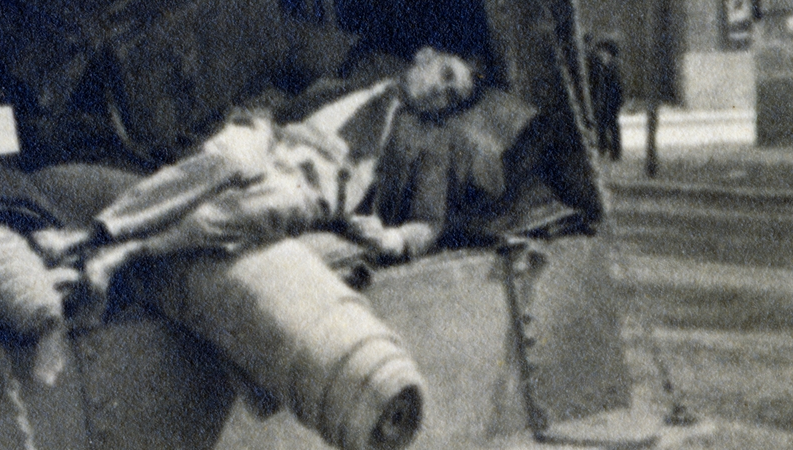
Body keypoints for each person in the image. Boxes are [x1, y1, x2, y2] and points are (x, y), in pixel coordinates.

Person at [36, 46, 480, 290]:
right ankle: (89, 234)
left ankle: (123, 254)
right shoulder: (348, 80)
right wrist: (259, 120)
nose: (440, 91)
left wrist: (393, 238)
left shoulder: (430, 143)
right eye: (444, 73)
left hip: (319, 182)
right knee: (229, 155)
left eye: (451, 95)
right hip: (275, 141)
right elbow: (285, 110)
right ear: (423, 56)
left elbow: (428, 222)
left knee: (261, 205)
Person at [587, 37, 624, 161]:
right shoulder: (608, 66)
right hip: (608, 100)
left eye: (602, 51)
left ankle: (613, 151)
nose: (601, 54)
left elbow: (615, 87)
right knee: (606, 124)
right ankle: (608, 149)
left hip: (611, 100)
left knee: (611, 125)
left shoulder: (611, 67)